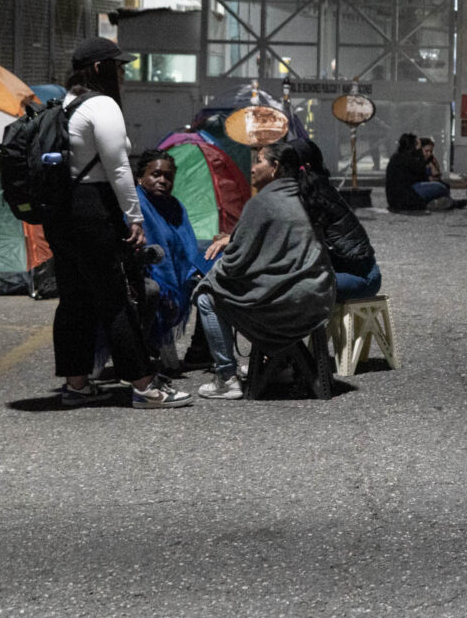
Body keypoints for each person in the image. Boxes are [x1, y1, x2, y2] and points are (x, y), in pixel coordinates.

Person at [49, 37, 193, 408]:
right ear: (99, 68)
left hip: (61, 211)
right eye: (118, 67)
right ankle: (145, 386)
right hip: (94, 208)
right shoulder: (101, 104)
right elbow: (117, 168)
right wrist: (134, 217)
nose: (122, 74)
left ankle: (76, 385)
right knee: (117, 299)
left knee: (75, 300)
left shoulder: (63, 105)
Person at [194, 142, 336, 400]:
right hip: (319, 298)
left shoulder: (262, 202)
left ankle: (226, 377)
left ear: (275, 168)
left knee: (205, 295)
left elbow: (236, 262)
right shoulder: (308, 195)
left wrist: (210, 277)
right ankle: (280, 363)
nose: (253, 168)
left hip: (286, 304)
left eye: (259, 161)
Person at [135, 149, 213, 366]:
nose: (162, 181)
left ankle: (200, 350)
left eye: (168, 177)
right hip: (145, 275)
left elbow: (186, 247)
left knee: (214, 281)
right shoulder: (136, 206)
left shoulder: (174, 206)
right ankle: (146, 352)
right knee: (155, 290)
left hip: (176, 275)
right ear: (140, 177)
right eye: (156, 174)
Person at [291, 138, 382, 301]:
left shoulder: (315, 196)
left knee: (290, 289)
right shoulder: (318, 188)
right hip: (352, 271)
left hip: (361, 278)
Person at [385, 133, 451, 211]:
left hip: (396, 197)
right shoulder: (407, 158)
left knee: (442, 186)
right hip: (405, 196)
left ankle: (441, 202)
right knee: (440, 187)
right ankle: (449, 203)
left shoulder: (398, 157)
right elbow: (420, 172)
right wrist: (420, 153)